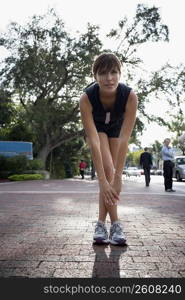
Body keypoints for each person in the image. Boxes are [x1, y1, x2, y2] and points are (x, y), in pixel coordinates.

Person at [79, 52, 138, 245]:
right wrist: (102, 180)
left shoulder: (130, 97)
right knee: (107, 170)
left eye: (114, 72)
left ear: (120, 73)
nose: (109, 78)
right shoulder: (86, 98)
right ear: (95, 76)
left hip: (117, 129)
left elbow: (124, 140)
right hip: (97, 128)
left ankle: (101, 225)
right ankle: (115, 224)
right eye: (103, 73)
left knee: (113, 176)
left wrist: (118, 178)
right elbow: (94, 142)